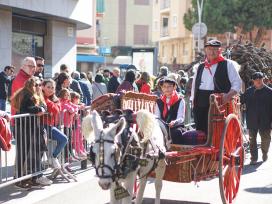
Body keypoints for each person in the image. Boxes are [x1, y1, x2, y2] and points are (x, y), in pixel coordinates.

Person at [190, 39, 242, 134]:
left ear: (220, 50)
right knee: (201, 128)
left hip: (219, 100)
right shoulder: (200, 67)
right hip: (201, 100)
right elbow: (194, 86)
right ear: (205, 50)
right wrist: (193, 100)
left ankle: (217, 147)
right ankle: (202, 146)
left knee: (217, 129)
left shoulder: (228, 64)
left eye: (215, 49)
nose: (212, 52)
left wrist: (228, 96)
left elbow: (237, 84)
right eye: (209, 49)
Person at [12, 77, 52, 188]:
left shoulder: (32, 94)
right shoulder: (26, 94)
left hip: (28, 127)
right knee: (22, 154)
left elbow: (43, 105)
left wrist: (41, 109)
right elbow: (27, 109)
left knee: (25, 153)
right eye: (38, 85)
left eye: (40, 85)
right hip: (23, 128)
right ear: (32, 85)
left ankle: (24, 178)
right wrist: (39, 110)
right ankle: (18, 180)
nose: (40, 87)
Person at [241, 72, 272, 165]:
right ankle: (254, 158)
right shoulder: (249, 91)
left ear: (263, 79)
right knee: (252, 140)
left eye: (260, 79)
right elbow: (241, 100)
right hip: (252, 119)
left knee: (266, 139)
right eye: (256, 80)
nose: (258, 81)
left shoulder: (269, 91)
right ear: (253, 81)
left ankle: (265, 153)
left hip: (265, 120)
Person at [41, 79, 68, 169]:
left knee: (64, 139)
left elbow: (57, 110)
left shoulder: (53, 98)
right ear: (43, 87)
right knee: (40, 151)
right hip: (41, 127)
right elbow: (54, 108)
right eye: (48, 87)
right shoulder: (40, 96)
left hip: (50, 126)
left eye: (52, 88)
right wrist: (50, 104)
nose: (50, 89)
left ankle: (53, 157)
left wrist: (50, 105)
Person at [154, 78, 185, 144]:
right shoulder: (159, 101)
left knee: (176, 133)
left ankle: (177, 152)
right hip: (162, 126)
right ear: (162, 88)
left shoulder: (180, 100)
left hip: (176, 126)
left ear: (174, 87)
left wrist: (174, 122)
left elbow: (181, 118)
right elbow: (157, 117)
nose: (166, 89)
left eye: (169, 86)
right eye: (164, 87)